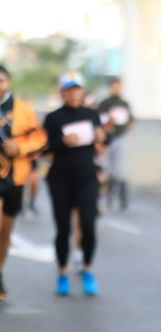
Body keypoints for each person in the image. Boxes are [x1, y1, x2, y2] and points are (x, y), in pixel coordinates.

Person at [42, 72, 106, 297]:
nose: (73, 94)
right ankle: (62, 272)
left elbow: (101, 142)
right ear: (62, 93)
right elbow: (45, 150)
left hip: (87, 177)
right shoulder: (53, 118)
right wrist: (62, 142)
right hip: (60, 179)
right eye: (68, 90)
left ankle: (87, 269)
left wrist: (101, 137)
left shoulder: (91, 114)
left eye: (76, 89)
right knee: (63, 228)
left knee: (88, 224)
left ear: (82, 91)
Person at [0, 64, 48, 302]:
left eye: (1, 81)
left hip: (15, 178)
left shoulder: (23, 109)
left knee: (5, 231)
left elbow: (40, 139)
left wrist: (19, 147)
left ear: (8, 83)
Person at [98, 77, 134, 211]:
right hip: (109, 139)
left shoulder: (124, 103)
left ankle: (122, 197)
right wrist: (107, 126)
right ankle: (108, 196)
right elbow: (99, 119)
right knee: (107, 169)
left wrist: (128, 126)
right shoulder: (105, 103)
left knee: (120, 170)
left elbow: (130, 120)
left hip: (121, 137)